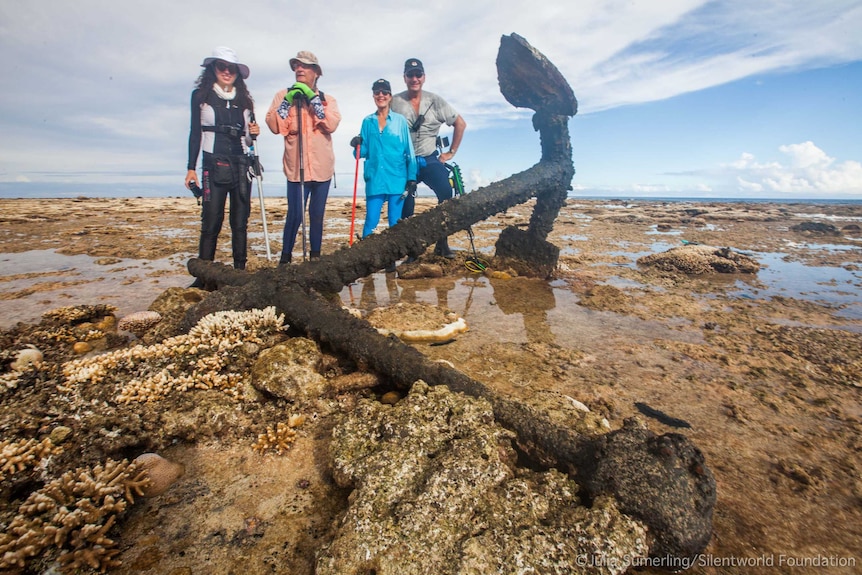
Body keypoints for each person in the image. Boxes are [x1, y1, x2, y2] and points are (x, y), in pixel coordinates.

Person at [185, 46, 259, 285]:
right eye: (222, 67)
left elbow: (248, 140)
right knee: (211, 220)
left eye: (231, 68)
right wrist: (190, 168)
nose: (227, 72)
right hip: (212, 165)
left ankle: (239, 272)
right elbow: (195, 134)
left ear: (238, 72)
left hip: (240, 166)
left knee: (239, 222)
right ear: (213, 69)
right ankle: (203, 276)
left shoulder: (245, 100)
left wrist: (253, 133)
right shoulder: (201, 96)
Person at [265, 51, 341, 264]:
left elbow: (331, 124)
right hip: (295, 169)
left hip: (322, 169)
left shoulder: (328, 100)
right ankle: (285, 260)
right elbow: (274, 125)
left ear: (316, 72)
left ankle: (315, 260)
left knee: (317, 215)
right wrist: (288, 102)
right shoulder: (283, 96)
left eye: (305, 66)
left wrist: (313, 99)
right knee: (295, 215)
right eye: (296, 65)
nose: (299, 69)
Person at [390, 58, 466, 259]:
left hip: (430, 159)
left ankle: (442, 243)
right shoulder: (394, 102)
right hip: (405, 162)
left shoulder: (435, 101)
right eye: (410, 75)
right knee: (406, 206)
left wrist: (450, 153)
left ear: (423, 77)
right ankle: (411, 251)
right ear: (404, 78)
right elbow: (380, 125)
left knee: (446, 193)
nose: (414, 79)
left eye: (418, 75)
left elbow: (460, 123)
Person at [350, 79, 417, 241]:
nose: (381, 95)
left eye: (385, 92)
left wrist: (412, 177)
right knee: (371, 221)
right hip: (374, 179)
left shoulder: (400, 121)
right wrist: (356, 145)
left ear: (390, 96)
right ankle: (366, 260)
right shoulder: (367, 121)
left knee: (395, 223)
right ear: (373, 95)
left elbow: (409, 151)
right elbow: (362, 152)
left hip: (397, 178)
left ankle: (391, 263)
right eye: (377, 92)